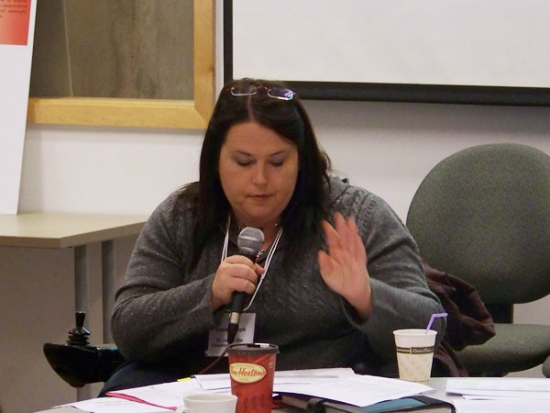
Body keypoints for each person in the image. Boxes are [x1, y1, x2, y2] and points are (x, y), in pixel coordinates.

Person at [100, 78, 446, 394]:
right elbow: (129, 328)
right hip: (202, 396)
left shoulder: (355, 216)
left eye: (278, 162)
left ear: (302, 161)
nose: (261, 179)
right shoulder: (183, 216)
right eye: (244, 162)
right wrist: (209, 294)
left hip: (320, 399)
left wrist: (368, 297)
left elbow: (432, 324)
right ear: (215, 161)